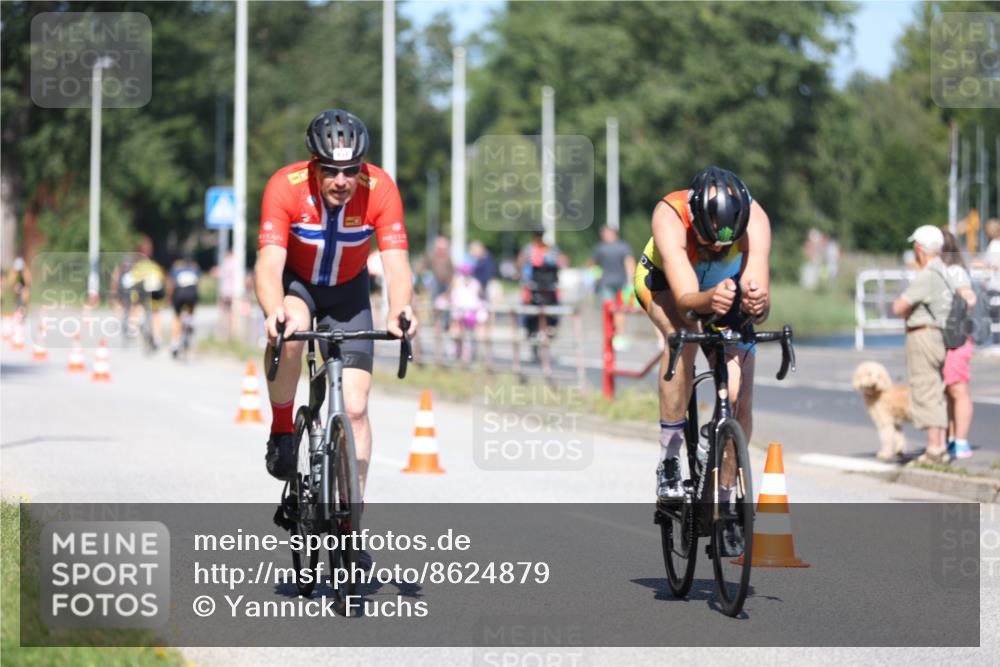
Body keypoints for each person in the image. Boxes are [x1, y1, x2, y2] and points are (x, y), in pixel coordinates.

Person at [255, 108, 417, 499]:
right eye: (330, 170)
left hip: (348, 292)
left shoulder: (380, 188)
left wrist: (399, 309)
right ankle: (282, 429)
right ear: (314, 165)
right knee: (290, 331)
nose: (342, 181)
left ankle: (351, 517)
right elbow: (268, 264)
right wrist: (274, 311)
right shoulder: (285, 186)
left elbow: (397, 264)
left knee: (356, 408)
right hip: (298, 286)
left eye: (351, 170)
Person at [633, 167, 770, 507]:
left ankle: (723, 498)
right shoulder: (670, 216)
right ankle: (669, 458)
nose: (717, 248)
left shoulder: (755, 220)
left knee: (740, 393)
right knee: (683, 337)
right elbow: (686, 302)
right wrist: (710, 300)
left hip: (724, 286)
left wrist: (757, 304)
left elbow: (758, 307)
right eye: (708, 242)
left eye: (726, 244)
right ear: (695, 220)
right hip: (667, 283)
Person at [892, 225, 951, 464]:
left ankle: (934, 448)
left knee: (925, 389)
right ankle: (941, 446)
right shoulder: (944, 271)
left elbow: (899, 306)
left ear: (919, 249)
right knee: (935, 391)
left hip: (923, 335)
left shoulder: (928, 275)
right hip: (937, 335)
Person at [940, 228, 977, 459]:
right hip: (949, 339)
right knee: (950, 390)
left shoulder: (954, 271)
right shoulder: (945, 271)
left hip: (956, 339)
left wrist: (960, 301)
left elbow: (969, 297)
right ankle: (952, 438)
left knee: (958, 390)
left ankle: (961, 441)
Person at [590, 226, 635, 350]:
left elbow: (594, 266)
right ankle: (618, 335)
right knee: (618, 310)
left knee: (611, 309)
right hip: (618, 283)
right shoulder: (623, 246)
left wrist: (595, 280)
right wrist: (631, 281)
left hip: (609, 283)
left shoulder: (600, 248)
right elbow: (630, 263)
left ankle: (614, 335)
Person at [518, 229, 566, 340]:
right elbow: (520, 264)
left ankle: (550, 327)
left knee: (553, 308)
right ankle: (529, 329)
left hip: (547, 287)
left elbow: (561, 262)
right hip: (533, 287)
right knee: (528, 309)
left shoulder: (549, 249)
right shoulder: (530, 249)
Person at [167, 257, 201, 358]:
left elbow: (173, 285)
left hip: (180, 294)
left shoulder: (176, 269)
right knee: (191, 309)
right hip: (192, 294)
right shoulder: (194, 269)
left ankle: (174, 343)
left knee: (177, 317)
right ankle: (190, 320)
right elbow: (197, 285)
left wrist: (169, 297)